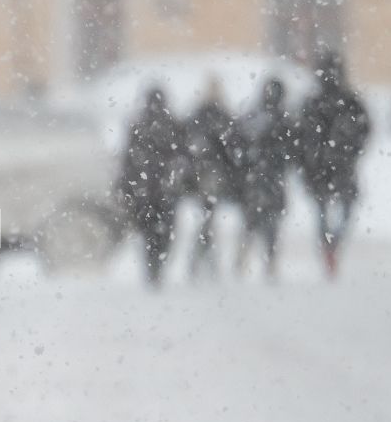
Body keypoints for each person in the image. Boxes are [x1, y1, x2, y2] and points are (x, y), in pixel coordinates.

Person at [294, 51, 372, 279]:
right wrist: (351, 152)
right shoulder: (351, 101)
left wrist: (307, 161)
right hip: (342, 167)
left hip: (318, 168)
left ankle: (328, 246)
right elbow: (365, 130)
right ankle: (333, 245)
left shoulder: (313, 102)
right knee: (343, 209)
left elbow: (299, 137)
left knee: (322, 212)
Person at [117, 87, 186, 287]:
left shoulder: (139, 125)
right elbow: (182, 157)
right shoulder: (172, 125)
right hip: (164, 191)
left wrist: (125, 185)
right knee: (163, 233)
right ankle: (157, 266)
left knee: (148, 234)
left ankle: (152, 267)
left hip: (145, 192)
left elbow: (127, 160)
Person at [234, 77, 293, 281]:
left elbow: (235, 145)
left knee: (251, 223)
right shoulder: (282, 120)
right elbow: (291, 151)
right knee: (270, 226)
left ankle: (243, 259)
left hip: (252, 180)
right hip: (271, 181)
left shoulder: (251, 117)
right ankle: (269, 262)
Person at [183, 77, 241, 280]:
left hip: (206, 175)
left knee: (207, 215)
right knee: (208, 215)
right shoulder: (220, 116)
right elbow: (231, 148)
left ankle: (201, 258)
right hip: (211, 175)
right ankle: (203, 259)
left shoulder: (201, 115)